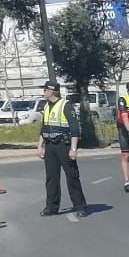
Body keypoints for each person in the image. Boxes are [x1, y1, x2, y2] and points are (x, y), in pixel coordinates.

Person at [36, 81, 88, 218]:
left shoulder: (66, 105)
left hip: (64, 145)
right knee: (51, 177)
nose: (43, 93)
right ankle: (51, 207)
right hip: (50, 145)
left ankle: (80, 206)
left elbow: (75, 129)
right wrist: (39, 145)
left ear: (52, 91)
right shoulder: (46, 106)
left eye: (45, 90)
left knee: (72, 176)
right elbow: (44, 127)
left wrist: (73, 149)